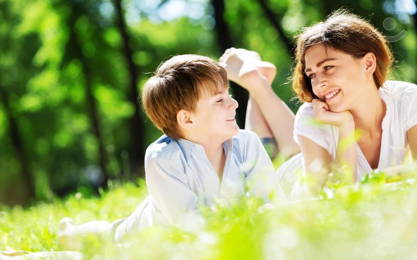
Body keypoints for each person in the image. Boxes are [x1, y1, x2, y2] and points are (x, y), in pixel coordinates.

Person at [58, 54, 276, 245]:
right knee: (114, 234)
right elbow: (192, 227)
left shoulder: (247, 143)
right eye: (220, 100)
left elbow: (269, 201)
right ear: (187, 119)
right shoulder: (162, 158)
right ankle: (70, 233)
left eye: (228, 95)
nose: (234, 104)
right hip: (147, 233)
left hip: (226, 228)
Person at [220, 11, 417, 194]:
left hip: (308, 160)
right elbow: (336, 198)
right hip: (295, 187)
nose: (318, 83)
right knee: (267, 164)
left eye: (328, 67)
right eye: (311, 74)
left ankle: (257, 82)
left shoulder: (407, 99)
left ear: (368, 63)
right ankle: (256, 84)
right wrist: (344, 126)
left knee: (293, 149)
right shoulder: (312, 114)